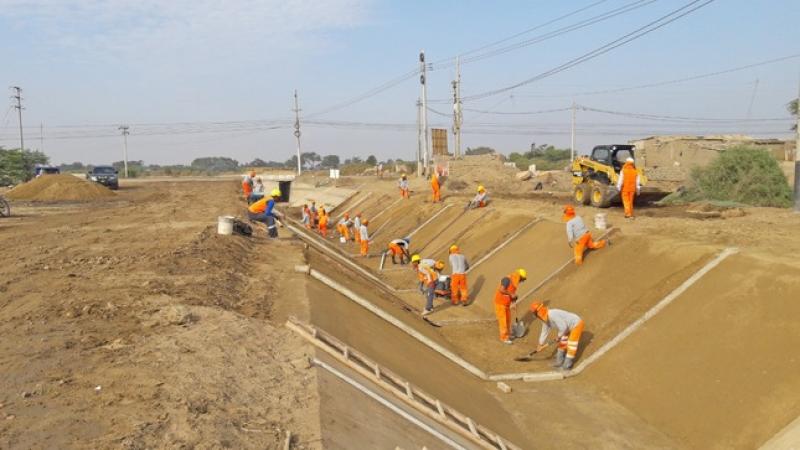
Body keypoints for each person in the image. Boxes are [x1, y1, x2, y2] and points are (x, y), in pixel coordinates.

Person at [530, 301, 585, 370]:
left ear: (538, 312)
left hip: (576, 324)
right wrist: (540, 344)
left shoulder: (552, 314)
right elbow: (544, 331)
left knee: (571, 343)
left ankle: (567, 364)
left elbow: (563, 327)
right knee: (563, 342)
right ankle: (559, 361)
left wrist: (559, 336)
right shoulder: (545, 319)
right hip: (567, 327)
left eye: (535, 313)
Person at [493, 277, 515, 344]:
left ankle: (507, 335)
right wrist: (511, 294)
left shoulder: (513, 285)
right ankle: (504, 338)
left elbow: (509, 294)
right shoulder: (507, 280)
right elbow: (501, 290)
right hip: (500, 304)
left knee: (508, 320)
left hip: (506, 305)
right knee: (503, 321)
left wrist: (513, 301)